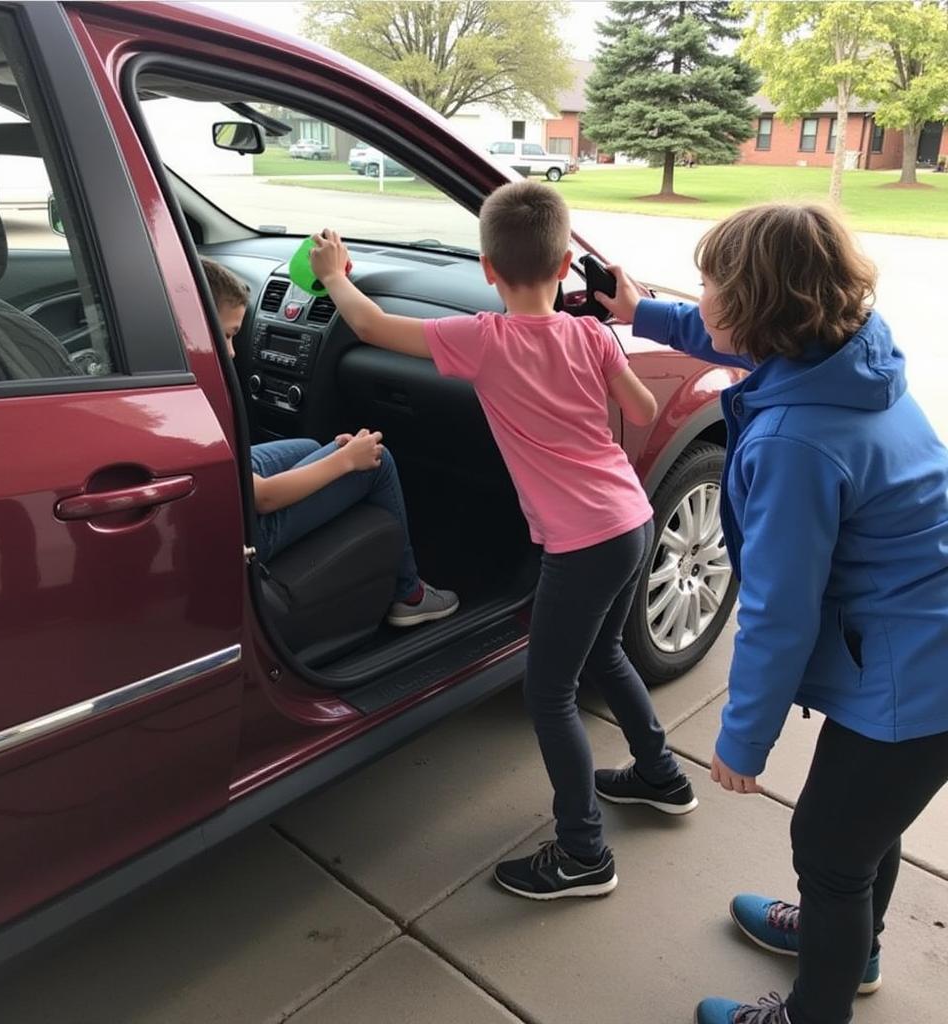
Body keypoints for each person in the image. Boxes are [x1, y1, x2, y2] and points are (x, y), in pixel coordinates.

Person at [595, 204, 948, 1024]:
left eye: (713, 284)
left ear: (757, 302)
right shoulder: (849, 351)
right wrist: (637, 310)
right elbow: (732, 336)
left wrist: (742, 737)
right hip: (919, 640)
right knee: (861, 830)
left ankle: (812, 1009)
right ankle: (850, 944)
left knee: (827, 849)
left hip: (917, 672)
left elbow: (780, 612)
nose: (703, 295)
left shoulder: (798, 441)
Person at [308, 181, 697, 902]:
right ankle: (660, 775)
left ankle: (584, 853)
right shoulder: (590, 333)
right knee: (605, 653)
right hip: (631, 521)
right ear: (562, 268)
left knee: (548, 692)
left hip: (580, 542)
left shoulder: (480, 340)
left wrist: (334, 273)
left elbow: (368, 327)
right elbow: (641, 407)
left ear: (487, 269)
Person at [200, 257, 458, 628]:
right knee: (377, 460)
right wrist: (346, 462)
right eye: (224, 335)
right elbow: (264, 498)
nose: (233, 351)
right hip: (244, 529)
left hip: (227, 495)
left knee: (308, 446)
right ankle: (408, 593)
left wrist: (332, 458)